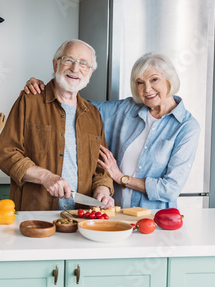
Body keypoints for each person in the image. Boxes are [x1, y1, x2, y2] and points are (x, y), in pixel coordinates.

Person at [24, 52, 200, 209]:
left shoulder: (186, 127)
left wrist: (121, 177)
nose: (147, 89)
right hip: (114, 213)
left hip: (154, 220)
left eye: (154, 80)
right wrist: (45, 89)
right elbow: (77, 105)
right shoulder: (125, 109)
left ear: (169, 79)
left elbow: (169, 189)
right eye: (140, 82)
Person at [0, 39, 114, 211]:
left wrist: (102, 190)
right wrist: (45, 177)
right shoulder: (29, 101)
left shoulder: (94, 114)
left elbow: (101, 169)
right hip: (36, 217)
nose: (75, 69)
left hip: (82, 217)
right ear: (55, 64)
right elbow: (6, 152)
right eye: (68, 60)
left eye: (83, 64)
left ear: (90, 72)